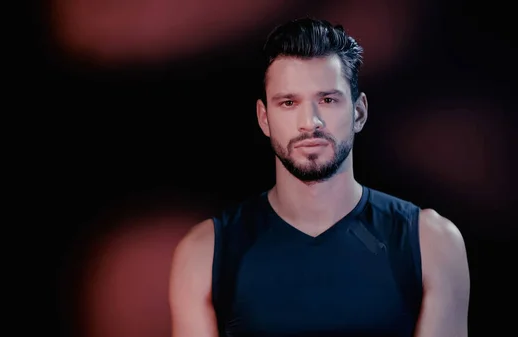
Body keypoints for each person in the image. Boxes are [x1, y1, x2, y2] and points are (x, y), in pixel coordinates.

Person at [169, 18, 470, 337]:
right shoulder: (205, 253)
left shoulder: (431, 243)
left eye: (327, 100)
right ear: (264, 118)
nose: (310, 122)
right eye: (288, 102)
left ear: (359, 112)